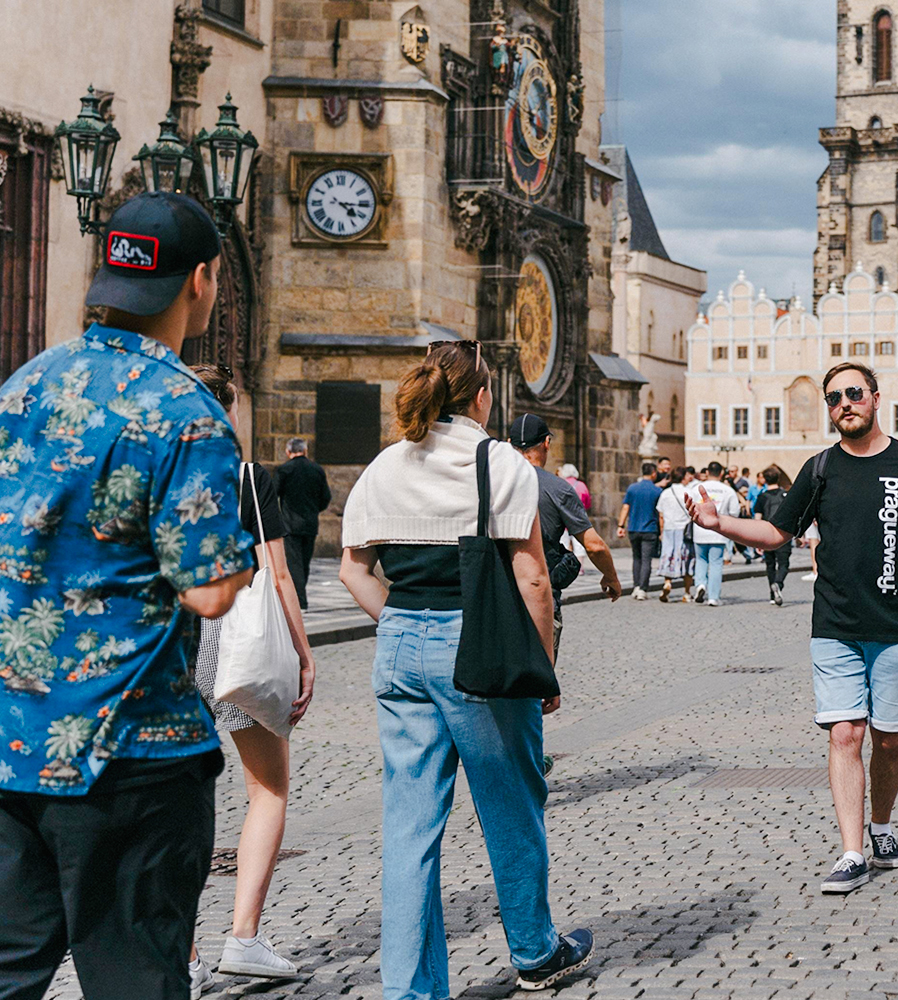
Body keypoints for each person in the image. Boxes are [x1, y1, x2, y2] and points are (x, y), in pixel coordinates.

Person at [0, 192, 254, 999]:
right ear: (203, 282)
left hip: (13, 737)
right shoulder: (186, 412)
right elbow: (211, 591)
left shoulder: (23, 386)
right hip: (130, 747)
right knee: (136, 978)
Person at [339, 342, 593, 996]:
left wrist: (399, 620)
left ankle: (411, 990)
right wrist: (539, 669)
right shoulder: (496, 461)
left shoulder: (387, 463)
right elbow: (533, 576)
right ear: (481, 396)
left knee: (409, 826)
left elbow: (352, 569)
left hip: (400, 646)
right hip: (476, 645)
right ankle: (536, 953)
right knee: (510, 803)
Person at [687, 361, 898, 893]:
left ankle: (882, 824)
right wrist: (720, 522)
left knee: (890, 742)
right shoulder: (820, 469)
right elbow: (777, 533)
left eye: (853, 393)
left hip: (897, 626)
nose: (844, 403)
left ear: (874, 398)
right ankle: (851, 851)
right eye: (833, 397)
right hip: (835, 626)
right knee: (846, 734)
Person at [186, 365, 318, 994]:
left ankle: (180, 953)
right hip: (237, 637)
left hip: (173, 637)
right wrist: (302, 648)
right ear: (230, 413)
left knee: (180, 797)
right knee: (268, 785)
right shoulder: (247, 478)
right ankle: (242, 937)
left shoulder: (156, 470)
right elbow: (280, 573)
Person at [509, 414, 622, 655]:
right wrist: (610, 577)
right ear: (546, 443)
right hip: (540, 596)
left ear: (509, 443)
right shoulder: (558, 488)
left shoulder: (489, 481)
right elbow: (594, 545)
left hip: (496, 592)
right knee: (540, 680)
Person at [274, 437, 331, 610]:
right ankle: (300, 596)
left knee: (294, 564)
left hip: (290, 523)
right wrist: (314, 510)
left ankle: (299, 600)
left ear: (287, 451)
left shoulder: (284, 470)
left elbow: (273, 493)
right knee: (304, 563)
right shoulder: (317, 470)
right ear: (305, 451)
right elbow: (325, 497)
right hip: (310, 524)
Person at [687, 462, 741, 605]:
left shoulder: (695, 488)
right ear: (722, 473)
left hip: (699, 530)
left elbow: (688, 508)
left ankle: (700, 584)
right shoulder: (727, 490)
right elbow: (735, 512)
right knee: (716, 563)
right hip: (718, 530)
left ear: (707, 471)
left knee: (701, 560)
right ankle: (713, 597)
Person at [618, 463, 663, 600]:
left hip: (633, 528)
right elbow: (660, 514)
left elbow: (626, 507)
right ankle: (643, 589)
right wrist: (662, 531)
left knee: (636, 558)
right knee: (646, 560)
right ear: (654, 473)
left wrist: (620, 526)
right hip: (650, 529)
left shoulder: (632, 488)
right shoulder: (657, 491)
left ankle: (636, 586)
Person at [754, 465, 793, 605]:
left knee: (770, 565)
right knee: (783, 564)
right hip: (783, 534)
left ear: (764, 480)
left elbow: (757, 518)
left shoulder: (762, 497)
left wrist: (756, 540)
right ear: (779, 478)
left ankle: (772, 595)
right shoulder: (786, 495)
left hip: (766, 534)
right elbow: (793, 515)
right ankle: (778, 583)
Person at [656, 468, 695, 602]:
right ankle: (687, 592)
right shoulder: (688, 492)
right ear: (683, 477)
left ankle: (667, 583)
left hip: (668, 529)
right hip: (683, 530)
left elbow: (660, 515)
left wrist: (661, 531)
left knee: (669, 556)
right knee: (686, 558)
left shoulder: (666, 493)